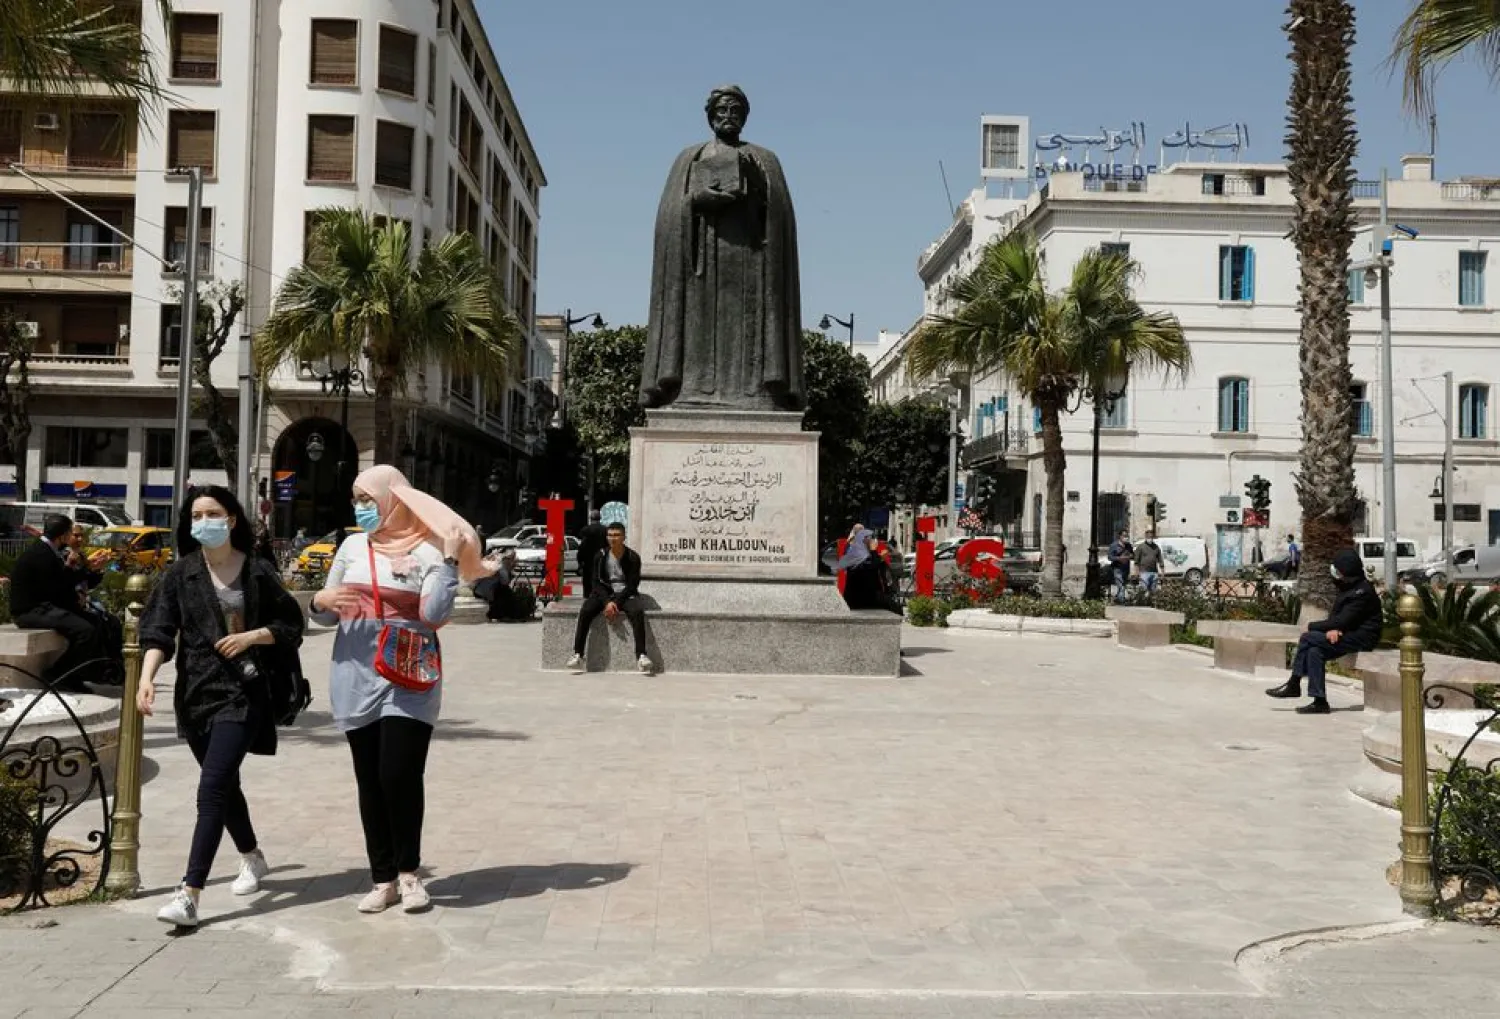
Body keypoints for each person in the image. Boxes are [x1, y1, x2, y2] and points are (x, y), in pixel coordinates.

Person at [310, 465, 488, 914]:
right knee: (369, 780)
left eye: (368, 499)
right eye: (357, 499)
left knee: (399, 774)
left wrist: (449, 562)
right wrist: (319, 601)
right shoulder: (350, 546)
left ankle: (410, 874)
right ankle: (382, 877)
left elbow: (432, 614)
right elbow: (326, 614)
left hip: (409, 672)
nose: (361, 508)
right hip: (354, 673)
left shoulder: (429, 549)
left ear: (394, 498)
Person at [137, 486, 306, 928]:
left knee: (210, 789)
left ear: (232, 519)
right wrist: (146, 677)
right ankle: (252, 856)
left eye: (213, 513)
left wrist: (251, 636)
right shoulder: (181, 573)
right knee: (224, 786)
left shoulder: (257, 570)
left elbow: (291, 623)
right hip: (196, 696)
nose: (204, 521)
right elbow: (158, 630)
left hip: (245, 694)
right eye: (196, 515)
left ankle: (189, 893)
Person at [1265, 549, 1382, 715]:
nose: (1334, 573)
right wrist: (1335, 629)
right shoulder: (1349, 587)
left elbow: (1345, 619)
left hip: (1363, 638)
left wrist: (1314, 626)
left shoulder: (1361, 592)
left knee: (1307, 637)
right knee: (1315, 651)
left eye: (1338, 570)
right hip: (1348, 632)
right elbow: (1341, 617)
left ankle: (1294, 683)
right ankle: (1319, 701)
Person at [9, 514, 109, 691]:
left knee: (94, 622)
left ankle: (89, 672)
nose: (72, 537)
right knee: (85, 631)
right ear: (62, 535)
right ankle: (59, 675)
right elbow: (59, 586)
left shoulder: (48, 551)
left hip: (43, 607)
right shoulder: (41, 554)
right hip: (30, 611)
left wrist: (87, 570)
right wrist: (84, 569)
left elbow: (60, 583)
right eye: (70, 532)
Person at [568, 522, 651, 675]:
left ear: (624, 537)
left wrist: (616, 603)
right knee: (586, 610)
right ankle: (578, 654)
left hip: (625, 593)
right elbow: (595, 582)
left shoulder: (633, 557)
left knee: (637, 612)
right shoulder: (600, 555)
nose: (613, 538)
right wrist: (607, 602)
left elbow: (633, 584)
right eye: (610, 535)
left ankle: (642, 655)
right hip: (604, 593)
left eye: (617, 535)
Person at [576, 510, 607, 581]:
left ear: (590, 518)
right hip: (601, 562)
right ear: (600, 518)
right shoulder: (605, 530)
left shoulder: (585, 530)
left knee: (588, 586)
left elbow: (582, 547)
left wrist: (580, 562)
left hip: (588, 563)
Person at [1107, 531, 1134, 603]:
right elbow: (1110, 557)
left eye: (1127, 536)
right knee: (1121, 584)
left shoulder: (1129, 546)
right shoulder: (1114, 545)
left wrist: (1129, 556)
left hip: (1126, 568)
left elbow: (1132, 555)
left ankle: (1117, 599)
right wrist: (1119, 558)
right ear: (1120, 536)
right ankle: (1122, 600)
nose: (1126, 538)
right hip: (1117, 568)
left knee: (1123, 584)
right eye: (1124, 536)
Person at [1135, 533, 1163, 599]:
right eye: (1148, 537)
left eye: (1151, 537)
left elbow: (1160, 560)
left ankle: (1151, 602)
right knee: (1144, 589)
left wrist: (1162, 572)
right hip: (1144, 572)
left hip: (1154, 572)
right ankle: (1144, 602)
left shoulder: (1156, 547)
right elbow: (1136, 561)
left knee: (1153, 590)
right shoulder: (1141, 547)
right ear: (1146, 537)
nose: (1150, 539)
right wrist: (1136, 572)